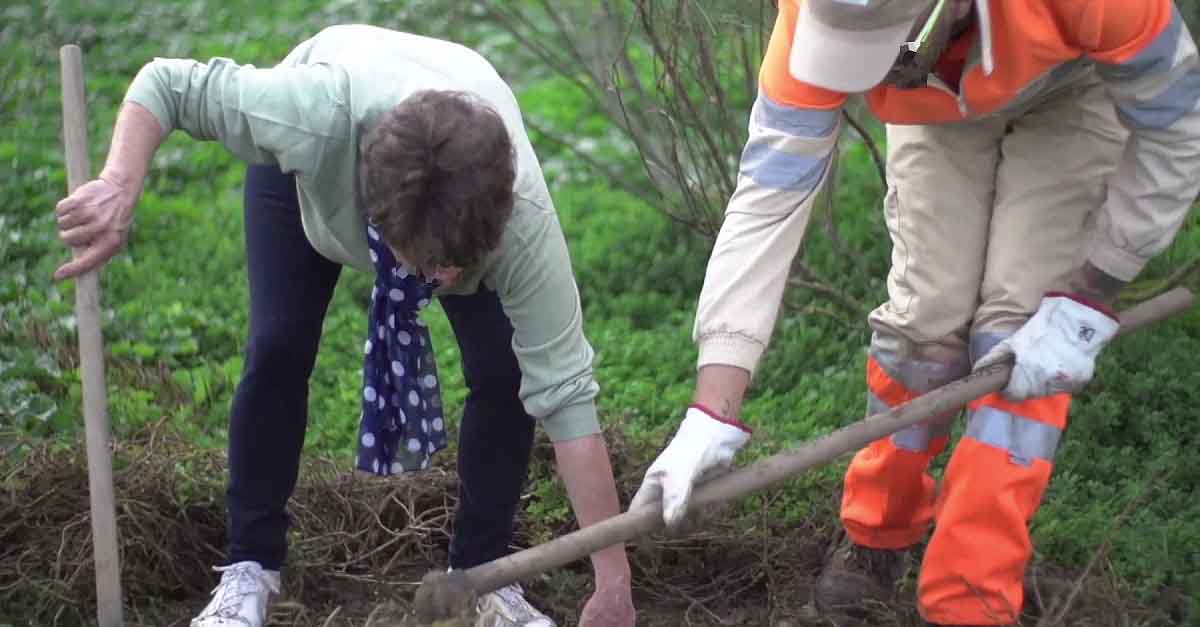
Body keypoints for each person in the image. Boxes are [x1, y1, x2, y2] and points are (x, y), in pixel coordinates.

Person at [631, 0, 1199, 625]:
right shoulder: (810, 19)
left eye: (884, 47)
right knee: (923, 329)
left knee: (1019, 338)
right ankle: (876, 534)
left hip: (1072, 87)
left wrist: (1088, 294)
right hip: (933, 106)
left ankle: (970, 597)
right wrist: (711, 411)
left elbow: (1181, 126)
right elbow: (769, 197)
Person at [53, 24, 637, 627]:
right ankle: (250, 565)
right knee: (278, 345)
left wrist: (614, 582)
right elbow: (168, 84)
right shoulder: (309, 116)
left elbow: (569, 401)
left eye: (453, 268)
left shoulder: (521, 222)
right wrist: (119, 184)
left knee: (504, 372)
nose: (438, 279)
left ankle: (485, 575)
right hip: (318, 171)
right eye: (426, 264)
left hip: (457, 187)